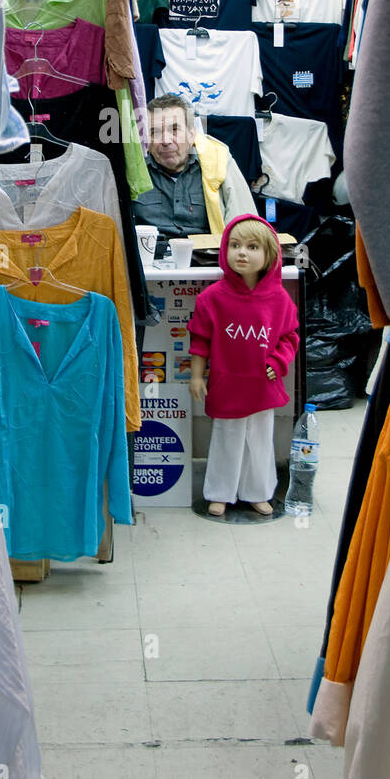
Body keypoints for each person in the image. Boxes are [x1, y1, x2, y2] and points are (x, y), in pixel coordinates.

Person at [188, 215, 299, 516]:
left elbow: (289, 337)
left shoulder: (280, 300)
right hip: (227, 384)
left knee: (260, 439)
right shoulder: (212, 298)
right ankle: (219, 492)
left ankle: (258, 491)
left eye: (252, 247)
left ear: (269, 256)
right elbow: (200, 340)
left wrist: (279, 361)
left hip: (263, 386)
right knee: (227, 435)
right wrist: (197, 376)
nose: (242, 253)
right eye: (235, 245)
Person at [131, 94, 256, 237]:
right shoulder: (134, 169)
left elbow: (246, 228)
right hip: (149, 255)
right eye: (155, 132)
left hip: (206, 256)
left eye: (174, 130)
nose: (165, 140)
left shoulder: (218, 161)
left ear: (192, 134)